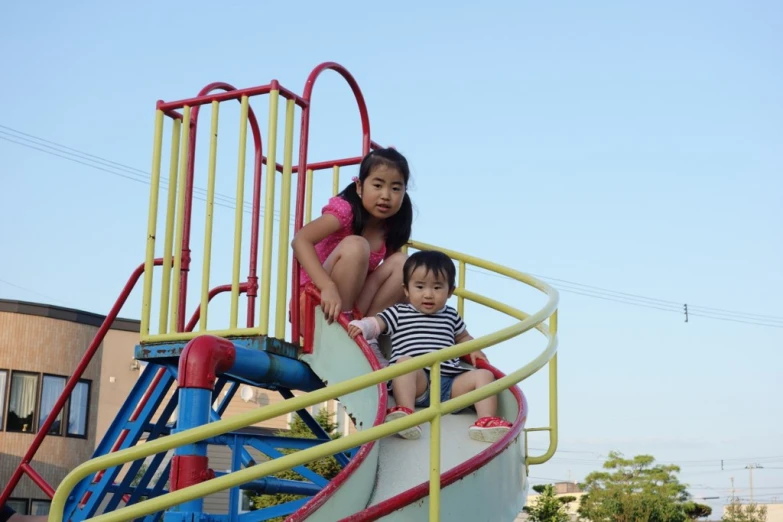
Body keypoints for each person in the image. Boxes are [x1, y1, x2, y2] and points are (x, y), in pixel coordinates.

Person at [348, 250, 513, 443]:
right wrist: (362, 326)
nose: (428, 294)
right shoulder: (399, 312)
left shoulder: (450, 315)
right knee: (404, 363)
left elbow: (463, 337)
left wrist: (474, 348)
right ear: (406, 290)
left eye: (437, 287)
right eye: (419, 287)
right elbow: (377, 324)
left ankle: (485, 421)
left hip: (449, 384)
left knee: (485, 375)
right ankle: (407, 414)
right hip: (419, 383)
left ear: (450, 291)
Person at [292, 148, 413, 365]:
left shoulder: (392, 225)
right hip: (316, 304)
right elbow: (300, 241)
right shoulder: (346, 211)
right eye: (377, 185)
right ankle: (343, 335)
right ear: (359, 186)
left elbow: (399, 284)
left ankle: (367, 331)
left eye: (396, 188)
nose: (386, 195)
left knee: (405, 266)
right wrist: (327, 285)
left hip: (354, 311)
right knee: (357, 245)